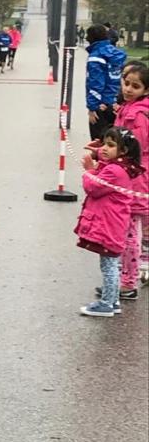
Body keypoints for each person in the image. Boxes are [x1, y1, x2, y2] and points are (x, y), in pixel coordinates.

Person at [76, 127, 143, 317]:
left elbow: (93, 187)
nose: (105, 148)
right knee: (110, 263)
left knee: (109, 265)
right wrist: (98, 152)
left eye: (110, 145)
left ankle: (106, 303)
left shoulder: (114, 170)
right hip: (113, 221)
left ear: (123, 151)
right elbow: (107, 162)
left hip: (108, 223)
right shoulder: (121, 166)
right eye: (105, 144)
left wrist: (89, 170)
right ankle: (112, 300)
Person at [113, 61, 149, 298]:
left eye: (135, 86)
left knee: (129, 231)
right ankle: (132, 272)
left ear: (146, 90)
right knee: (136, 228)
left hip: (135, 176)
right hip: (131, 173)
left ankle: (128, 282)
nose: (128, 89)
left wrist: (108, 154)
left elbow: (135, 147)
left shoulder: (137, 115)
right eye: (126, 83)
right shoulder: (127, 108)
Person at [84, 24, 126, 141]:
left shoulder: (95, 57)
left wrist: (92, 107)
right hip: (117, 103)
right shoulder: (116, 54)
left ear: (91, 38)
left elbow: (96, 84)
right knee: (116, 141)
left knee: (99, 141)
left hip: (101, 105)